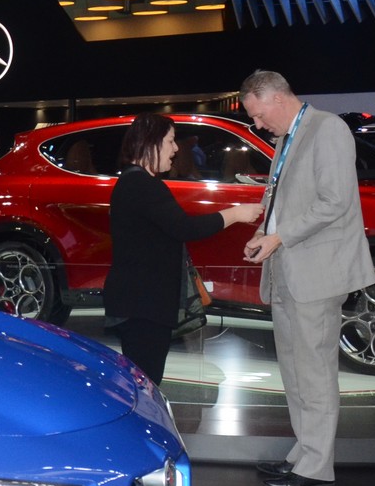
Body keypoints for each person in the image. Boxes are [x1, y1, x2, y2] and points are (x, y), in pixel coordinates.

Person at [239, 70, 375, 486]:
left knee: (314, 373)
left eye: (259, 115)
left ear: (277, 98)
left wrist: (280, 235)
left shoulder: (328, 129)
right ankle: (303, 453)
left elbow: (334, 201)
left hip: (318, 271)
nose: (259, 125)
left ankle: (316, 468)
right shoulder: (287, 136)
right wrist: (266, 232)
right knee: (295, 372)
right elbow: (287, 196)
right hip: (288, 267)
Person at [102, 114, 262, 384]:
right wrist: (235, 214)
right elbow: (186, 228)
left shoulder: (137, 183)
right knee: (146, 385)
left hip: (140, 304)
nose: (176, 149)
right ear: (149, 143)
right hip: (143, 306)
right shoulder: (141, 185)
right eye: (170, 141)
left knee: (144, 382)